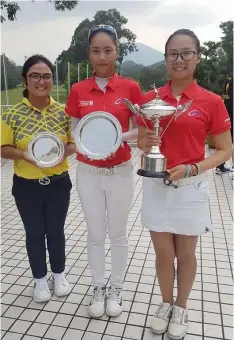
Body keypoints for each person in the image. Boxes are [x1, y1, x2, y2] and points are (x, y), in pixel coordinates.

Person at [136, 29, 232, 339]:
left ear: (197, 57)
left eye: (186, 53)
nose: (179, 60)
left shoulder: (211, 101)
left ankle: (181, 306)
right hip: (156, 186)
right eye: (173, 54)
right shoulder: (150, 100)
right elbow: (140, 140)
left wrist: (192, 168)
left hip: (191, 187)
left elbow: (225, 149)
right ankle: (165, 304)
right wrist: (146, 140)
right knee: (163, 254)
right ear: (165, 59)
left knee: (186, 254)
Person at [65, 24, 142, 318]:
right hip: (88, 173)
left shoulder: (130, 88)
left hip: (121, 170)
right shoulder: (78, 90)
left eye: (107, 50)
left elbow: (139, 129)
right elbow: (75, 131)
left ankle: (116, 287)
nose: (101, 57)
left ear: (116, 52)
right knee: (96, 234)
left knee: (119, 235)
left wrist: (115, 138)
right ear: (89, 54)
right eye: (96, 51)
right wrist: (88, 143)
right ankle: (98, 286)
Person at [1, 55, 76, 303]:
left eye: (46, 76)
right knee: (34, 233)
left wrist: (59, 154)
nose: (41, 81)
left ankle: (59, 274)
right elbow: (3, 148)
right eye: (35, 75)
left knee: (56, 231)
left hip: (58, 183)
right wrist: (25, 155)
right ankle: (40, 279)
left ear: (52, 80)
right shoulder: (11, 114)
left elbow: (73, 143)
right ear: (25, 79)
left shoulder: (63, 112)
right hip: (26, 186)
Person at [216, 75, 233, 174]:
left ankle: (220, 166)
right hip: (230, 113)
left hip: (227, 112)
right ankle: (220, 166)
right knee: (227, 142)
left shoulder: (228, 80)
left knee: (224, 142)